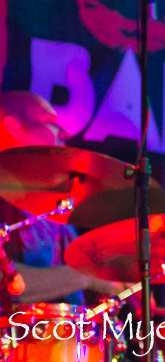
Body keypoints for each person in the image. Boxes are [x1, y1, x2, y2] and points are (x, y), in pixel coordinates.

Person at [0, 91, 125, 305]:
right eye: (49, 122)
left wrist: (121, 284)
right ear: (13, 126)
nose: (65, 133)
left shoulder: (56, 200)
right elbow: (5, 282)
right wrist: (85, 276)